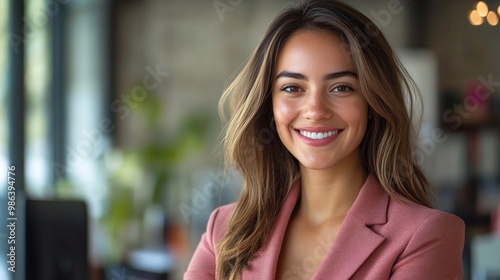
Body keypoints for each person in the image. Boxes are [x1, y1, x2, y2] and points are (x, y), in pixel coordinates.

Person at [184, 0, 465, 279]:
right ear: (268, 105)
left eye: (341, 87)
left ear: (373, 102)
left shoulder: (424, 237)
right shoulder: (224, 231)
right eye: (293, 87)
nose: (315, 110)